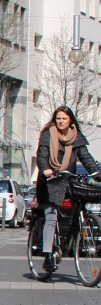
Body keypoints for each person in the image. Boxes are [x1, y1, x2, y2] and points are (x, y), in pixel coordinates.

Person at [35, 106, 101, 271]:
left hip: (67, 181)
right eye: (58, 119)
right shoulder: (48, 135)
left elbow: (86, 158)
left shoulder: (76, 137)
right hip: (50, 181)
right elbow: (42, 156)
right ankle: (48, 255)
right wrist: (46, 169)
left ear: (70, 119)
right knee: (51, 217)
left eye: (64, 118)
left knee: (77, 209)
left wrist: (96, 173)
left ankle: (70, 239)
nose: (61, 122)